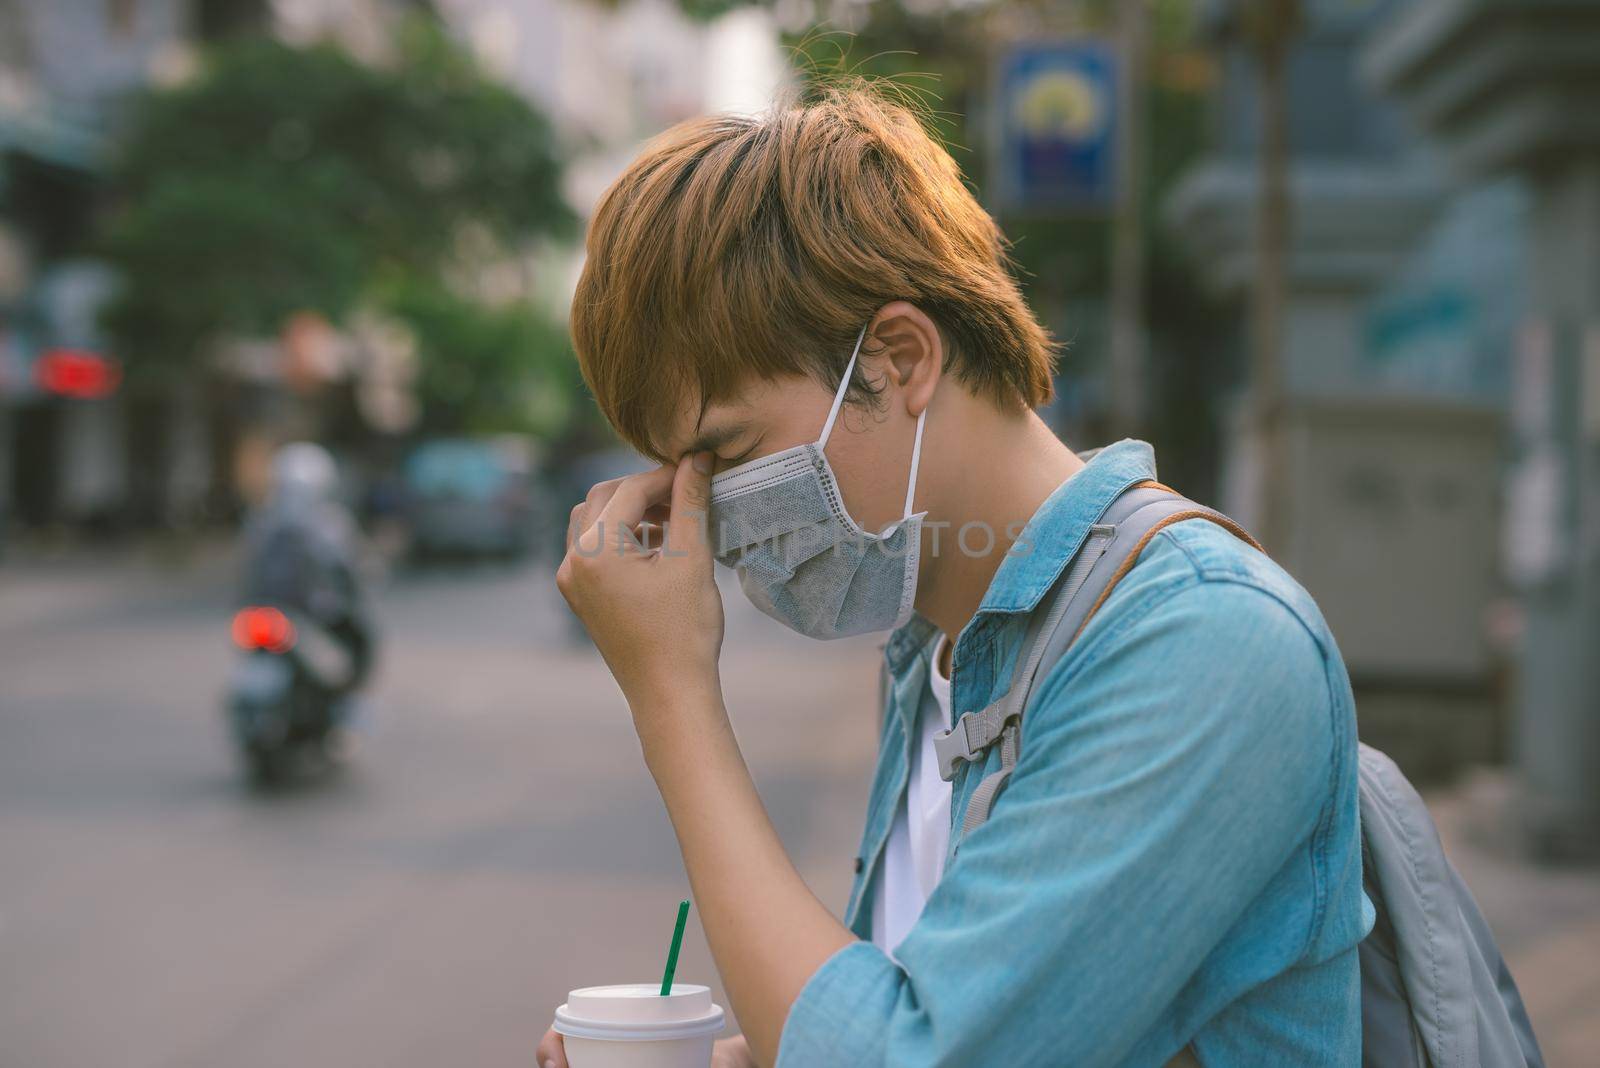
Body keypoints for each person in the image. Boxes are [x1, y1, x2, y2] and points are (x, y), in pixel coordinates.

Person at [541, 81, 1370, 1068]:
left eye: (726, 453)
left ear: (897, 356)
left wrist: (670, 694)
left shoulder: (1201, 642)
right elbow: (938, 1000)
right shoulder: (937, 650)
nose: (704, 518)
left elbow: (917, 1054)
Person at [241, 442, 374, 700]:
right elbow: (347, 566)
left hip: (267, 613)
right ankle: (345, 700)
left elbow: (247, 571)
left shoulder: (262, 519)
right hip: (308, 613)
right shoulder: (328, 522)